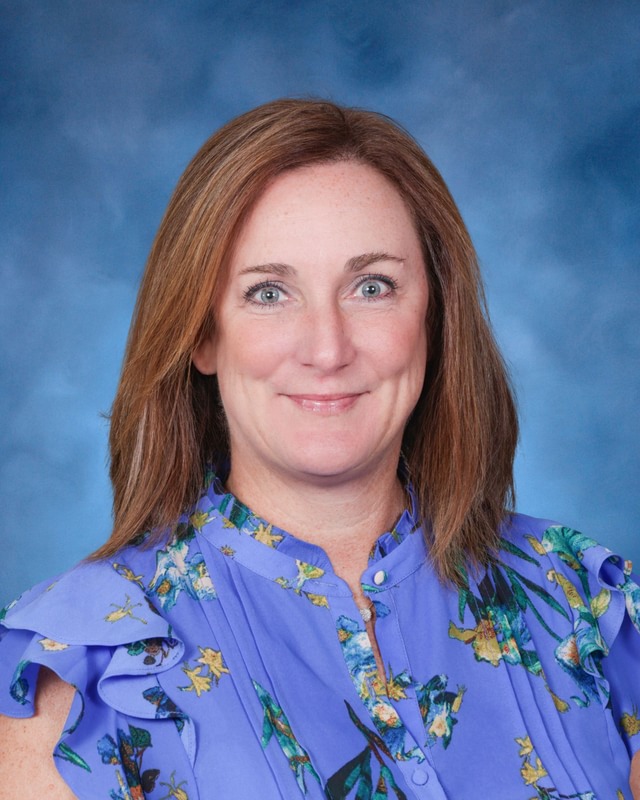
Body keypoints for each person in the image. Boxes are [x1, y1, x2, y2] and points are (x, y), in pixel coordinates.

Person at [0, 99, 638, 799]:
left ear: (435, 315)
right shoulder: (79, 671)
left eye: (372, 287)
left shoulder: (588, 604)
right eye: (269, 292)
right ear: (202, 334)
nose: (328, 348)